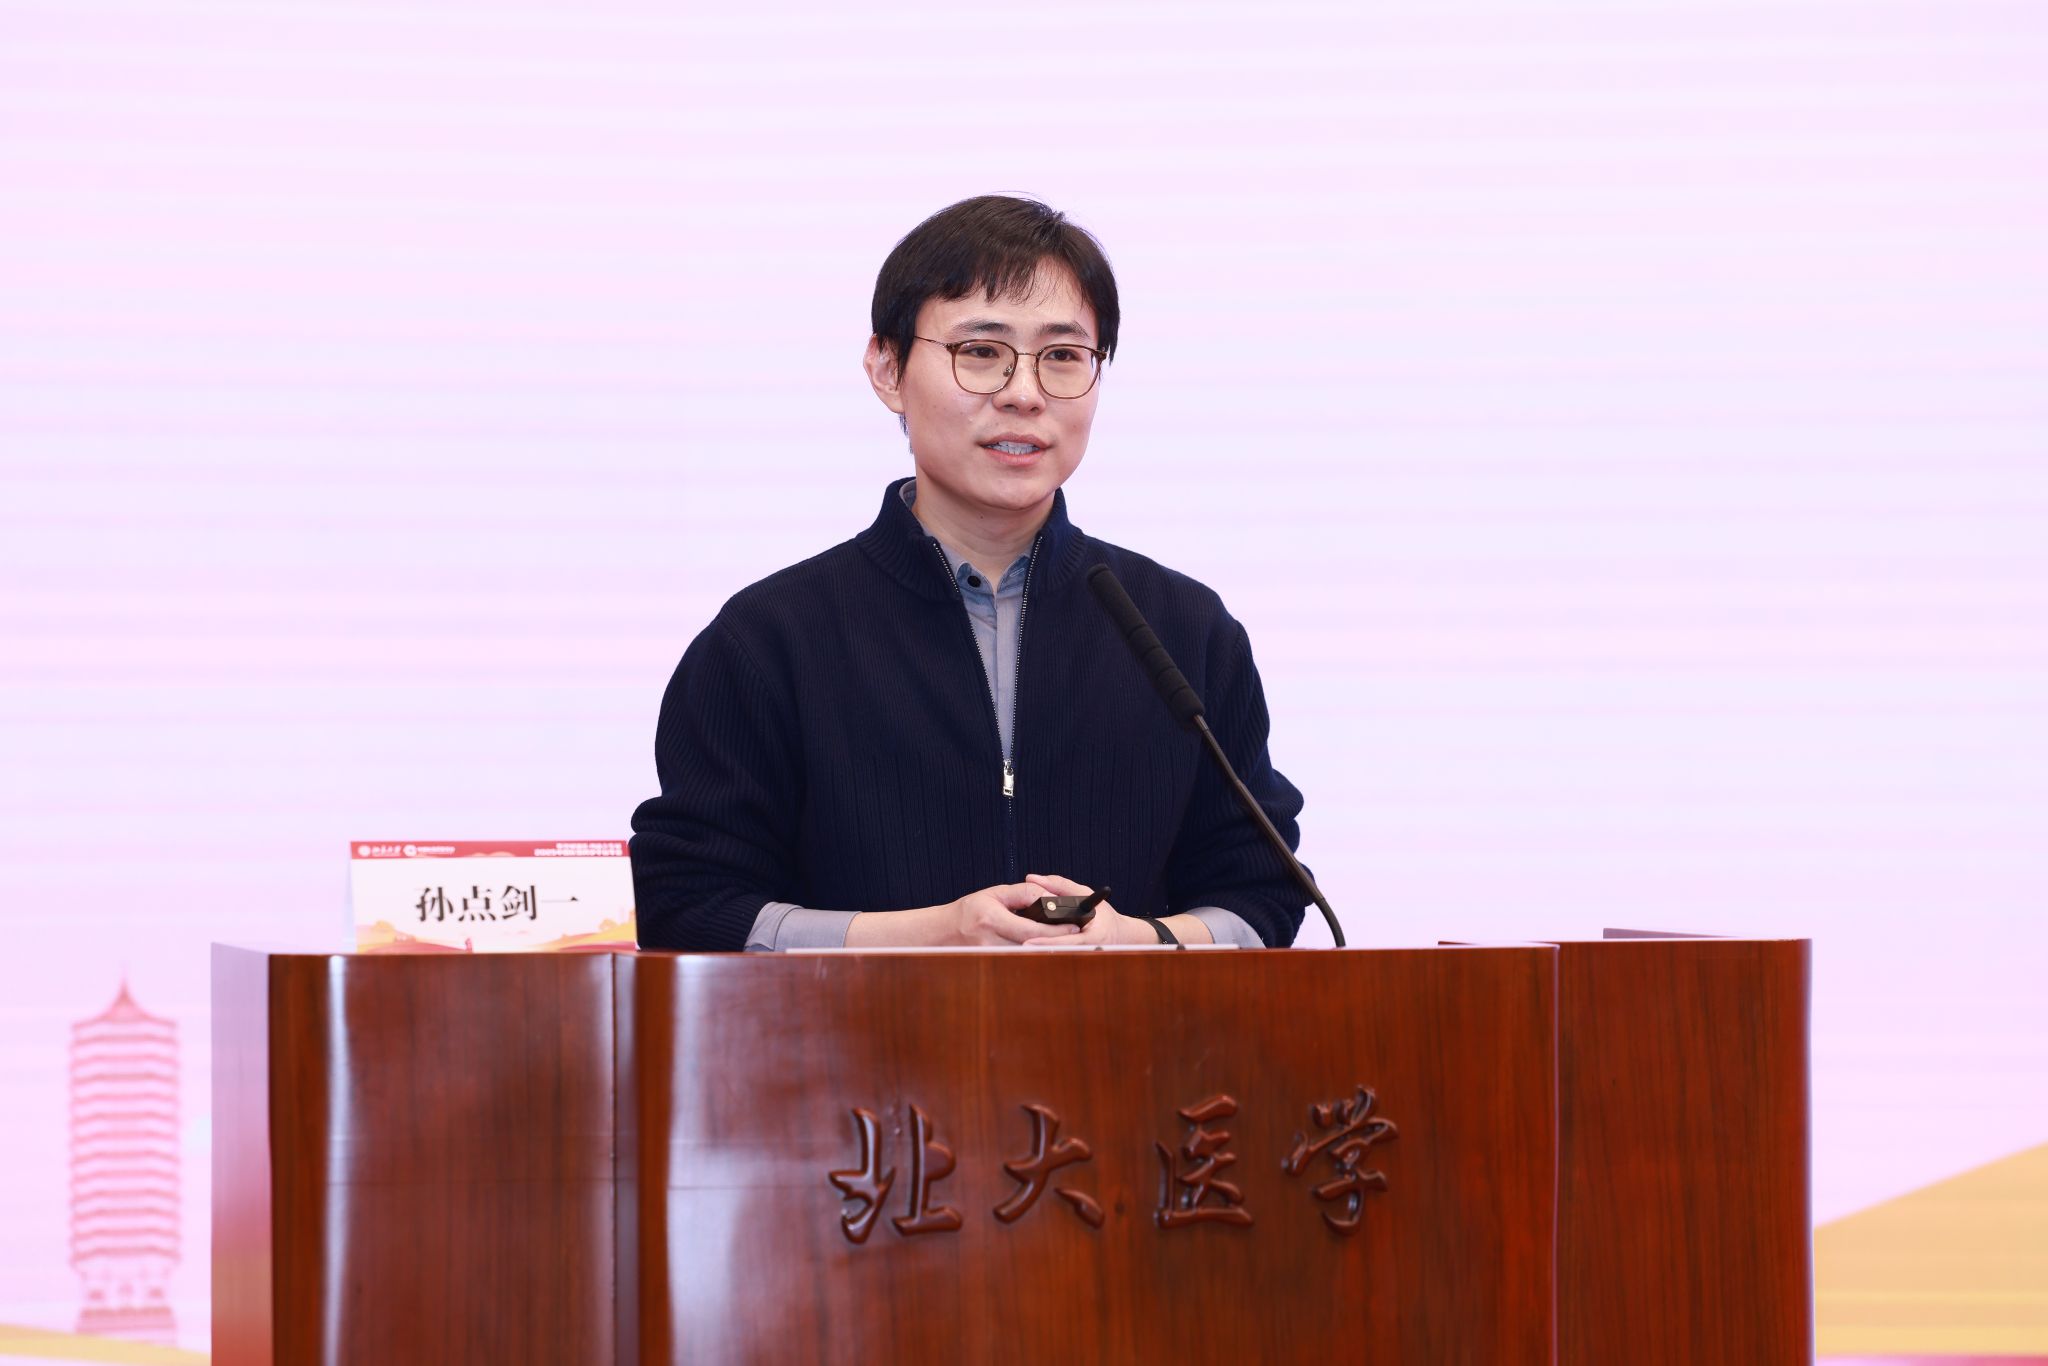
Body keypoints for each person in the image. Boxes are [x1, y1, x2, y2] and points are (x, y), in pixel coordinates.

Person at [630, 195, 1309, 952]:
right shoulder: (770, 638)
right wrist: (934, 938)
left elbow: (1263, 892)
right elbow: (687, 905)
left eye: (1063, 357)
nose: (1024, 393)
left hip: (1127, 1031)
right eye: (981, 351)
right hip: (858, 1034)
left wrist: (1136, 943)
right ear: (887, 369)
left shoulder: (1182, 628)